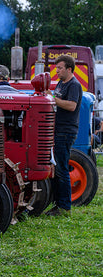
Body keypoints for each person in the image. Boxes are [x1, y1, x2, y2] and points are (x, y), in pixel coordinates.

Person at [44, 54, 83, 216]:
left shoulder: (74, 85)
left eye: (60, 68)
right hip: (57, 130)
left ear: (69, 69)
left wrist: (51, 99)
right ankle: (57, 204)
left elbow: (72, 106)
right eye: (56, 67)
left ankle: (65, 207)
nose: (56, 71)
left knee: (61, 168)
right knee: (57, 167)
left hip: (65, 131)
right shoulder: (61, 83)